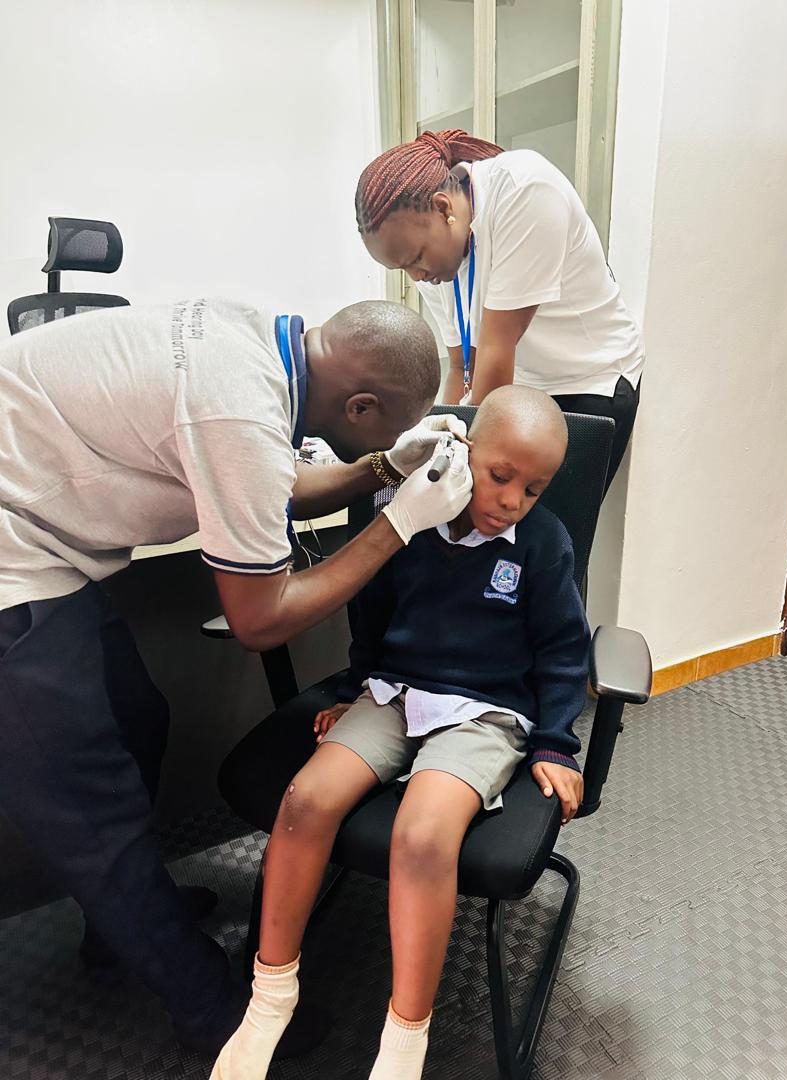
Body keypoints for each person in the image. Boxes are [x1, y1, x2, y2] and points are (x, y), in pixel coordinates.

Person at [0, 297, 472, 1054]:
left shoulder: (259, 342)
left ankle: (115, 925)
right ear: (359, 405)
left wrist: (385, 466)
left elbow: (270, 480)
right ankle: (213, 1015)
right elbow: (260, 620)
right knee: (89, 812)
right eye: (386, 428)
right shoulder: (239, 411)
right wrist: (399, 523)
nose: (386, 442)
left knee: (137, 717)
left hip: (42, 543)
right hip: (11, 564)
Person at [210, 385, 590, 1080]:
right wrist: (354, 689)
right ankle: (270, 998)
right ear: (467, 450)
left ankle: (405, 1039)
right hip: (395, 691)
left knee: (422, 834)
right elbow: (372, 613)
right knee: (305, 799)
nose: (512, 500)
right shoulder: (411, 515)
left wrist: (556, 743)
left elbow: (565, 650)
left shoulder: (543, 544)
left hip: (485, 710)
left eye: (533, 490)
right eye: (500, 476)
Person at [355, 128, 645, 491]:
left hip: (589, 380)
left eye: (416, 259)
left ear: (443, 208)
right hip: (521, 385)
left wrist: (457, 463)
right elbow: (462, 365)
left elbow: (495, 349)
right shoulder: (434, 258)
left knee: (544, 523)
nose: (416, 276)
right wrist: (439, 439)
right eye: (402, 268)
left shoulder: (524, 191)